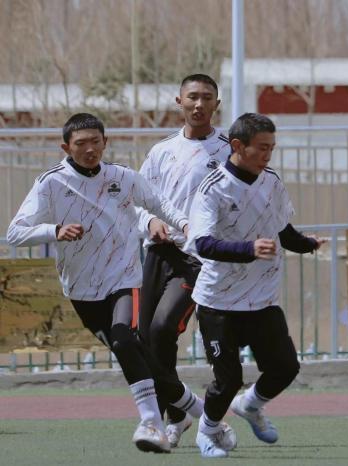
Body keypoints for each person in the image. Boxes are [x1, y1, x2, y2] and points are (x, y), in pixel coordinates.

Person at [6, 113, 228, 453]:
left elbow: (158, 203)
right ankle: (196, 412)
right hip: (81, 290)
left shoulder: (122, 177)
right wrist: (54, 231)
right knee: (140, 357)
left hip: (124, 278)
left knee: (125, 339)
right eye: (81, 143)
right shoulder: (51, 183)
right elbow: (15, 233)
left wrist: (184, 224)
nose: (90, 149)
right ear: (66, 148)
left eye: (96, 142)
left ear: (105, 142)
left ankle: (151, 423)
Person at [184, 112, 326, 458]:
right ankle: (207, 432)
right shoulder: (213, 188)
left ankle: (249, 406)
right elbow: (202, 244)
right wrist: (248, 249)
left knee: (285, 367)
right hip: (218, 302)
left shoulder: (271, 181)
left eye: (272, 148)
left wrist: (307, 244)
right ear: (237, 145)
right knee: (228, 379)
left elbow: (281, 229)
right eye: (262, 147)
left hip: (262, 299)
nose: (268, 154)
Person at [136, 74, 231, 447]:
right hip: (158, 252)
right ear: (179, 101)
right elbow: (136, 201)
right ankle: (175, 417)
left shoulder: (229, 151)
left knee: (162, 329)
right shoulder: (162, 152)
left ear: (216, 104)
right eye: (193, 97)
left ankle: (189, 416)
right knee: (145, 341)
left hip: (198, 259)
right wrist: (150, 222)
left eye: (207, 97)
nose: (199, 104)